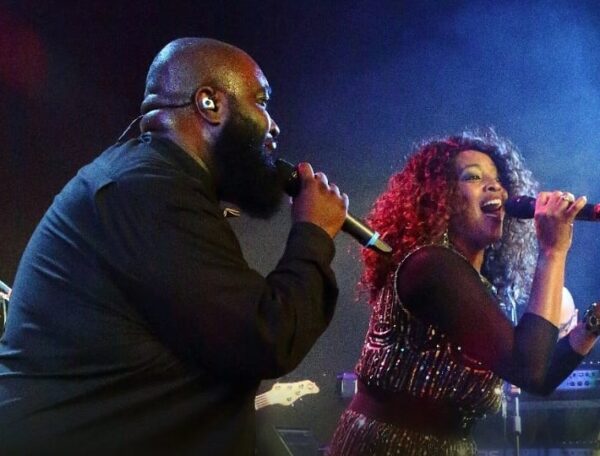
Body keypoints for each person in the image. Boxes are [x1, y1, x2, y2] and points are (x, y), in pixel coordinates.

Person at [0, 38, 348, 455]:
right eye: (261, 102)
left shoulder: (151, 179)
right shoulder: (147, 192)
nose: (273, 125)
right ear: (209, 103)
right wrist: (313, 232)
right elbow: (268, 336)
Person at [328, 129, 600, 455]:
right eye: (473, 177)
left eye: (498, 179)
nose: (495, 186)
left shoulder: (472, 281)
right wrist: (553, 251)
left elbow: (539, 379)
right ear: (440, 197)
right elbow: (528, 367)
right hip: (387, 446)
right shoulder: (431, 265)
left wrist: (591, 326)